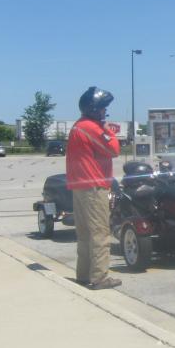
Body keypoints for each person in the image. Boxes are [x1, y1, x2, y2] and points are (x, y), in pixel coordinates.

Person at [66, 86, 121, 290]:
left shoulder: (78, 126)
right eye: (103, 108)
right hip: (94, 186)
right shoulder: (92, 128)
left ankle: (83, 274)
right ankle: (99, 277)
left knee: (85, 233)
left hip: (79, 185)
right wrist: (108, 130)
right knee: (100, 232)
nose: (105, 112)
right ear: (94, 109)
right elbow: (114, 150)